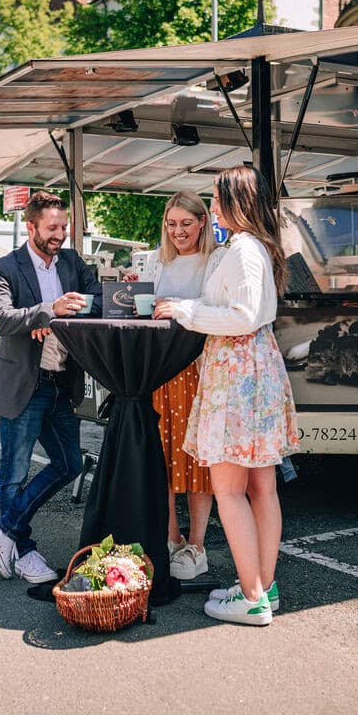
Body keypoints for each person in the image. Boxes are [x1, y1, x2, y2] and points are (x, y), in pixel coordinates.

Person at [155, 166, 298, 626]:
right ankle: (262, 585)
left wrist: (184, 310)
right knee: (261, 487)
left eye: (217, 200)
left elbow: (242, 315)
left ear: (237, 203)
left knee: (230, 490)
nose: (212, 207)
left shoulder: (242, 250)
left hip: (236, 375)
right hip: (254, 371)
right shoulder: (253, 248)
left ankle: (253, 597)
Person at [0, 192, 101, 585]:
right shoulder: (5, 267)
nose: (60, 235)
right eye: (52, 228)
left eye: (64, 227)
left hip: (61, 383)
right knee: (13, 473)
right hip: (21, 385)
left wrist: (76, 306)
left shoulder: (72, 262)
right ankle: (25, 551)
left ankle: (5, 529)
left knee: (69, 463)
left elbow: (99, 299)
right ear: (31, 227)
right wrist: (49, 310)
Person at [145, 192, 224, 581]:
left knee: (197, 462)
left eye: (186, 223)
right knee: (163, 458)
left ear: (202, 222)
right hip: (161, 371)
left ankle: (197, 545)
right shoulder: (156, 261)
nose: (178, 231)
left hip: (200, 371)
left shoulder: (216, 261)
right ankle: (171, 537)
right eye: (172, 224)